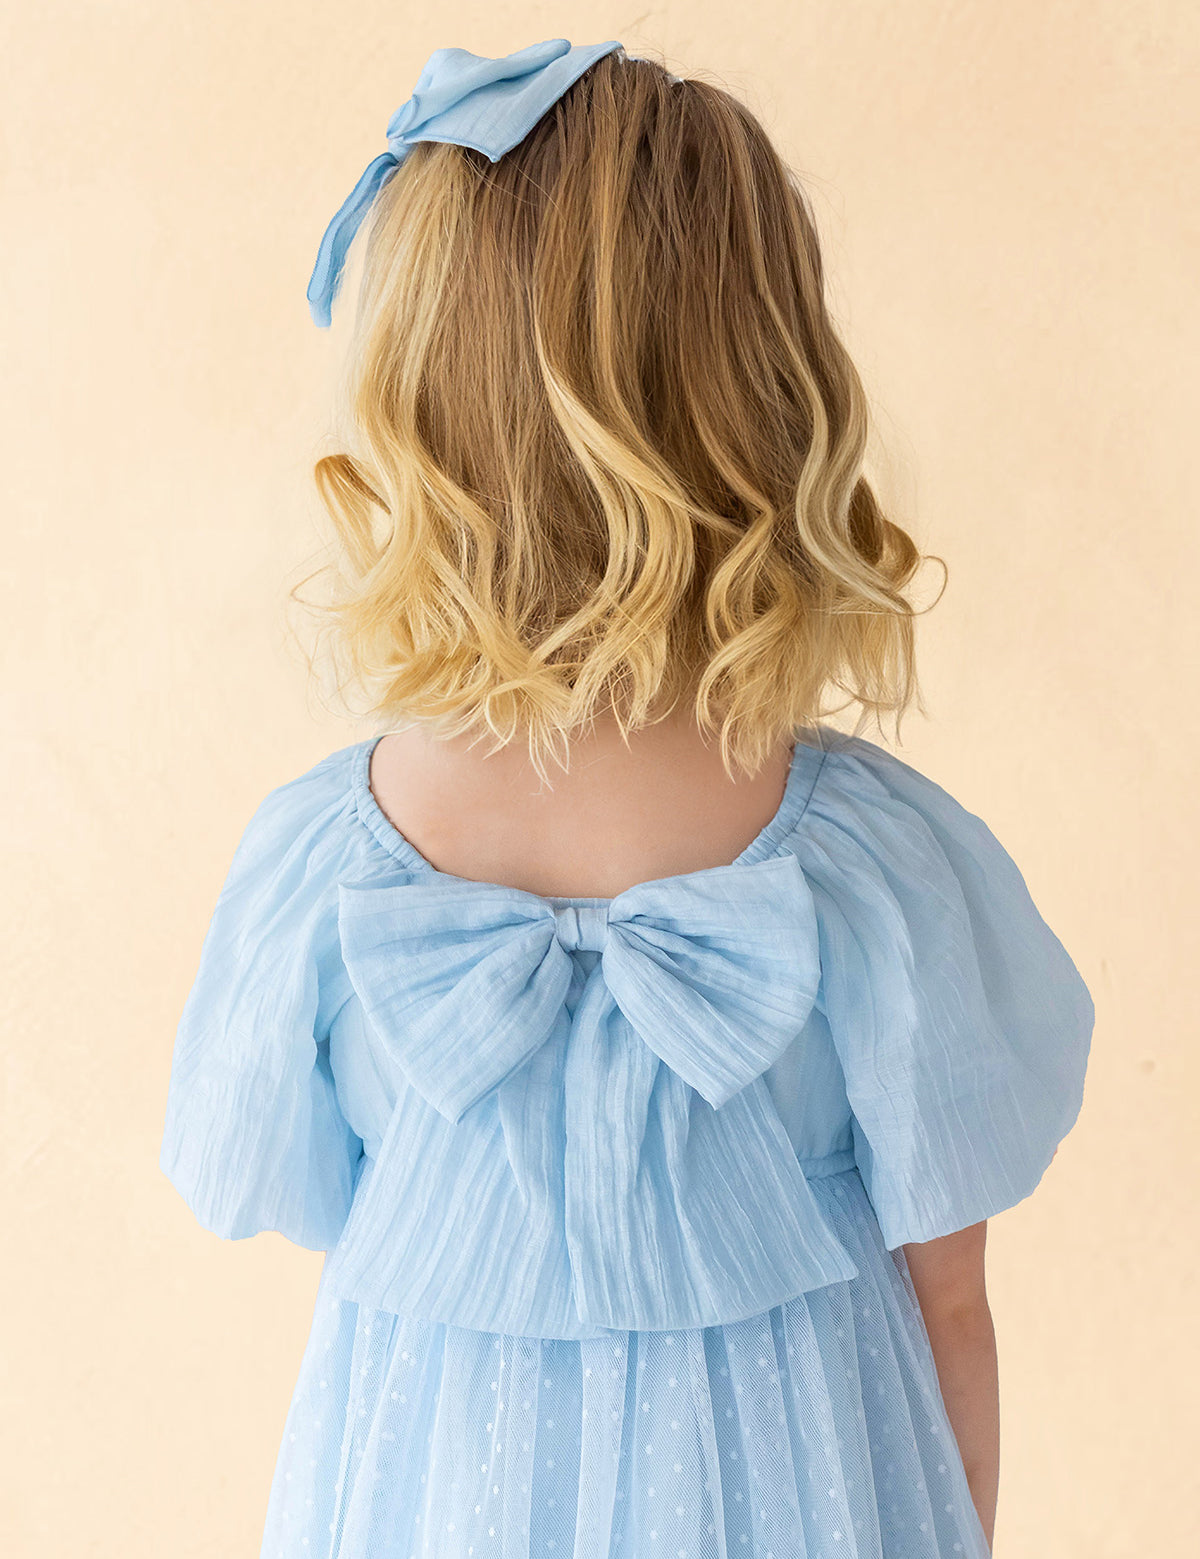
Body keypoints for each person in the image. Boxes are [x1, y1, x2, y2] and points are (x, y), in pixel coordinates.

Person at [158, 38, 1094, 1559]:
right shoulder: (873, 868)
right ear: (770, 387)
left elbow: (355, 1284)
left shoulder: (322, 871)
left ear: (419, 404)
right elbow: (952, 1310)